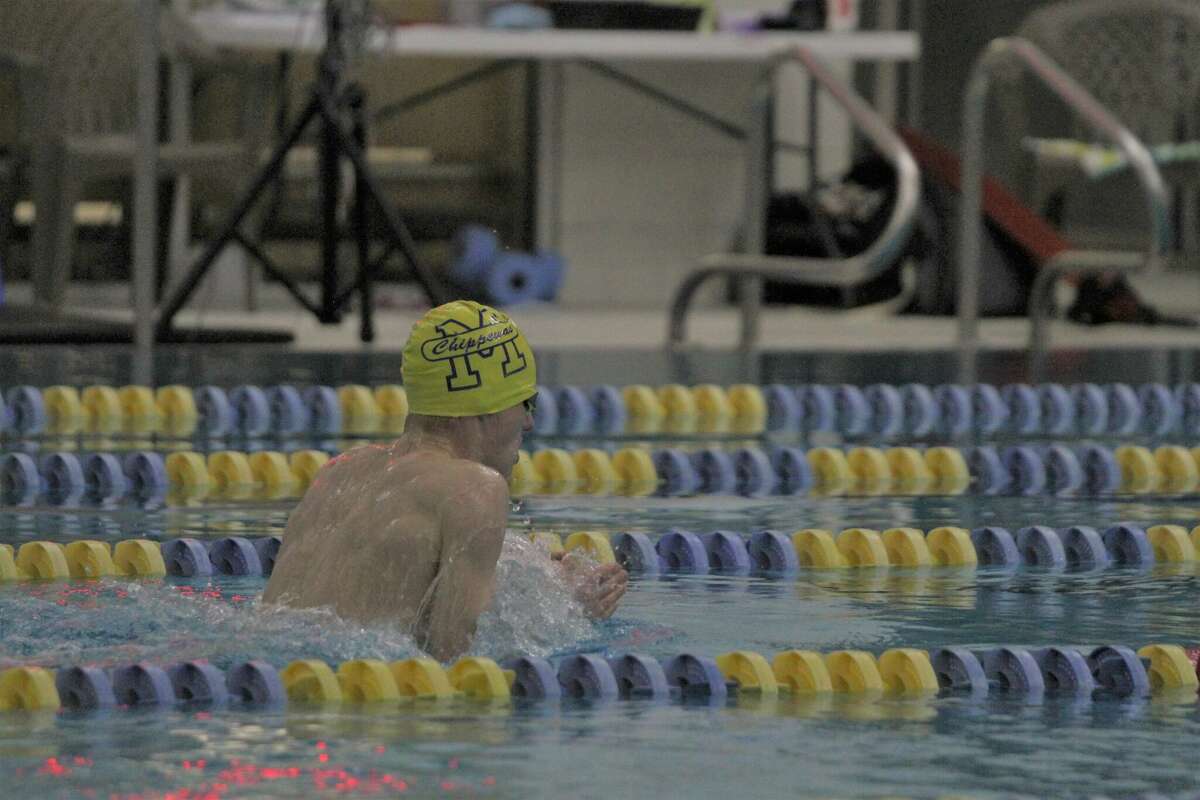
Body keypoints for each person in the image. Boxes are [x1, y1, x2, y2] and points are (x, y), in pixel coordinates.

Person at [263, 300, 628, 660]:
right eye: (525, 403)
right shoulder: (476, 488)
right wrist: (570, 615)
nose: (529, 423)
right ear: (486, 408)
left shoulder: (340, 471)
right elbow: (455, 657)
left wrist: (555, 588)